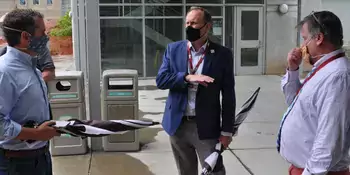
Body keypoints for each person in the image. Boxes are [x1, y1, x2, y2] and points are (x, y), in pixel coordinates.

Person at [156, 6, 236, 175]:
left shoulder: (222, 54)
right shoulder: (174, 49)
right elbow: (161, 80)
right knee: (185, 171)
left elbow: (228, 95)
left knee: (215, 171)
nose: (189, 27)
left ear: (207, 27)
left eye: (194, 23)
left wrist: (227, 131)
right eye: (187, 23)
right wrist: (186, 77)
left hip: (206, 127)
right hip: (178, 125)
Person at [277, 10, 350, 175]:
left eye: (304, 39)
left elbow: (329, 138)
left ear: (318, 38)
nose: (302, 46)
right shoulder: (324, 69)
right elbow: (293, 102)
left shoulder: (338, 76)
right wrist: (293, 70)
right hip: (303, 168)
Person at [0, 9, 60, 175]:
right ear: (26, 37)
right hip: (17, 164)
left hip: (41, 157)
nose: (46, 37)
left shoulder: (31, 65)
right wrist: (36, 133)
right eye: (42, 32)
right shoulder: (4, 72)